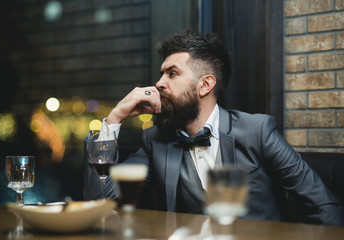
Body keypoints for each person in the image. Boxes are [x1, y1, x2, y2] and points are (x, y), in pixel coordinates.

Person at [83, 31, 344, 226]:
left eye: (172, 74)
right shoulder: (155, 140)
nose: (159, 83)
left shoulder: (258, 131)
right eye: (161, 74)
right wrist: (114, 119)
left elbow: (323, 206)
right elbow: (100, 204)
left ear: (205, 85)